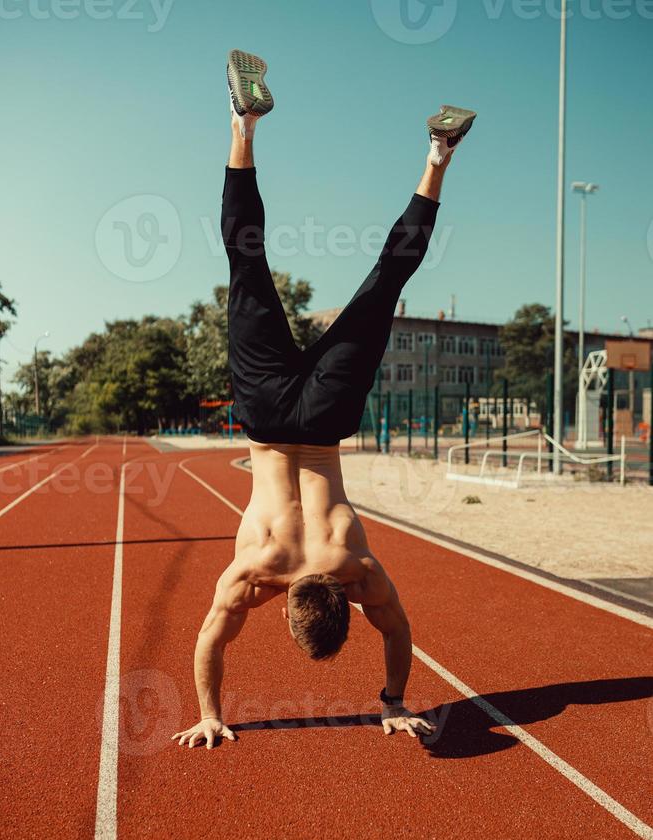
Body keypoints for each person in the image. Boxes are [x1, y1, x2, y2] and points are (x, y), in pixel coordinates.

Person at [173, 49, 476, 749]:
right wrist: (210, 715)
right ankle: (243, 124)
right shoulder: (256, 570)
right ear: (288, 611)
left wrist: (395, 697)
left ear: (343, 603)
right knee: (244, 265)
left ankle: (438, 154)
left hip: (330, 417)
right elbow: (211, 642)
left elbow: (399, 631)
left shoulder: (355, 567)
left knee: (383, 284)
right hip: (269, 417)